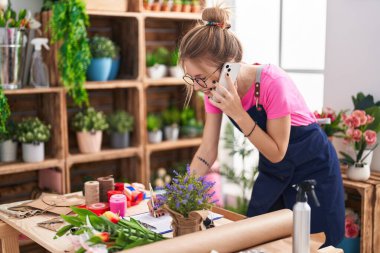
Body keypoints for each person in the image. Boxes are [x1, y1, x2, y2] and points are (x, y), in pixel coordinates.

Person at [149, 5, 344, 247]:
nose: (198, 87)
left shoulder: (274, 83)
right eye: (192, 78)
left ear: (229, 65)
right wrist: (174, 196)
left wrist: (238, 113)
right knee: (255, 241)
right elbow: (208, 151)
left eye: (201, 78)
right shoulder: (213, 92)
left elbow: (277, 152)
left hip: (313, 169)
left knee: (315, 244)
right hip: (274, 171)